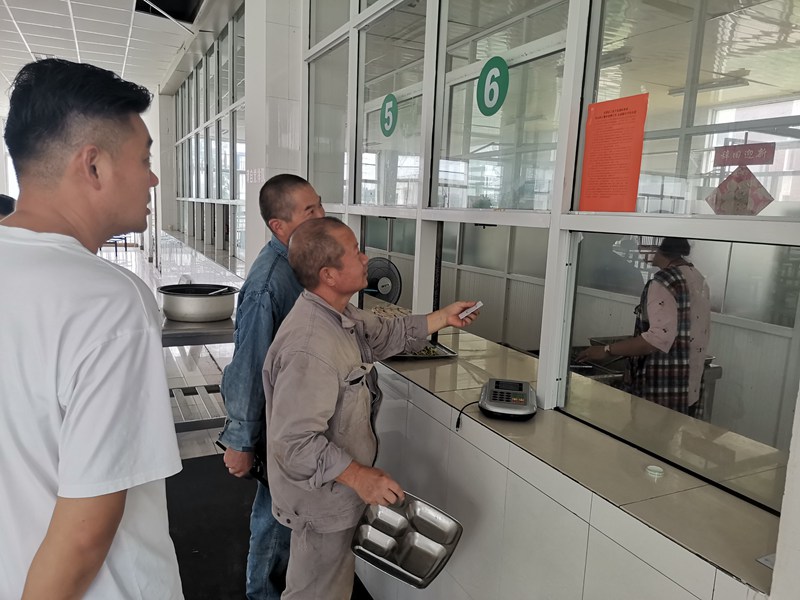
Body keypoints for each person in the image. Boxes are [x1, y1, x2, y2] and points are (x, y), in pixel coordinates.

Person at [0, 59, 182, 598]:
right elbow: (84, 534)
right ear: (94, 165)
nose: (152, 178)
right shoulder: (108, 302)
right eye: (145, 159)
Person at [263, 217, 480, 599]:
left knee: (330, 588)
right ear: (329, 274)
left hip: (337, 494)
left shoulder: (340, 316)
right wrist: (359, 476)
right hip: (321, 501)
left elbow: (383, 334)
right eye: (355, 252)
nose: (366, 258)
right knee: (315, 593)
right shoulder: (310, 347)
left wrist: (442, 318)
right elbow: (294, 444)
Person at [218, 173, 324, 599]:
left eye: (320, 204)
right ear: (279, 226)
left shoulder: (302, 263)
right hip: (277, 426)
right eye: (310, 211)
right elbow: (249, 365)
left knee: (289, 517)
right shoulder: (270, 282)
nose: (321, 215)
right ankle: (261, 593)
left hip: (299, 418)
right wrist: (241, 441)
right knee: (276, 520)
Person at [578, 237, 711, 416]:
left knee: (647, 432)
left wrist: (606, 350)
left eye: (643, 241)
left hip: (662, 386)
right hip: (689, 384)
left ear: (658, 246)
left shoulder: (664, 281)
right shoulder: (697, 276)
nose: (639, 247)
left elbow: (656, 339)